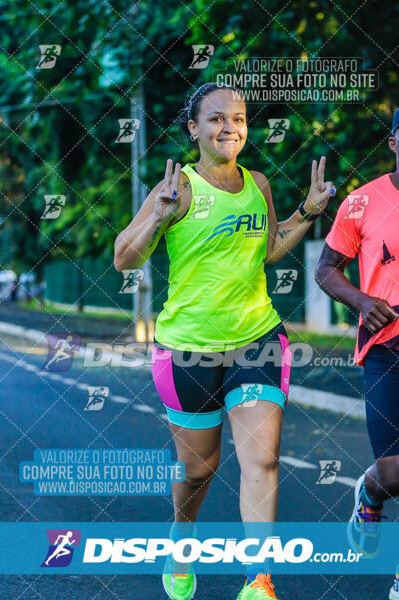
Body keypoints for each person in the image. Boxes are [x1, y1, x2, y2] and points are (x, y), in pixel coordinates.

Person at [114, 82, 335, 600]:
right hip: (188, 348)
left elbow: (269, 250)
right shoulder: (178, 188)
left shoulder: (258, 182)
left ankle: (259, 580)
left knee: (262, 459)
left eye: (237, 118)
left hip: (257, 339)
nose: (228, 128)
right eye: (215, 119)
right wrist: (158, 220)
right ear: (193, 129)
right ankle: (181, 541)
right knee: (198, 468)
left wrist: (306, 211)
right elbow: (125, 257)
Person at [315, 108, 399, 600]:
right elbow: (326, 269)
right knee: (393, 471)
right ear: (392, 142)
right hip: (386, 347)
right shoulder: (361, 201)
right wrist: (364, 302)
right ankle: (369, 492)